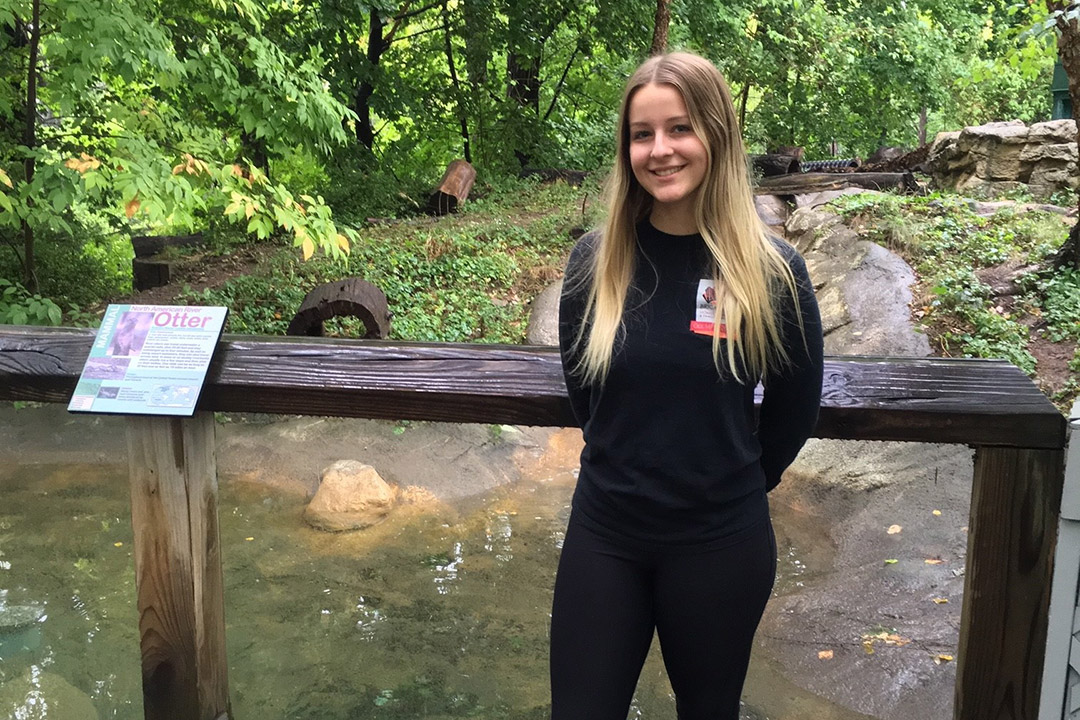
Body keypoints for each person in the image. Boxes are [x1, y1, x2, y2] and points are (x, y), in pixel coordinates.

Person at [552, 51, 824, 720]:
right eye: (642, 134)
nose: (659, 149)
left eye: (679, 129)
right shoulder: (597, 261)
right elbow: (587, 396)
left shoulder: (773, 272)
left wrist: (725, 481)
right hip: (607, 530)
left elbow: (793, 412)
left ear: (717, 135)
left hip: (719, 541)